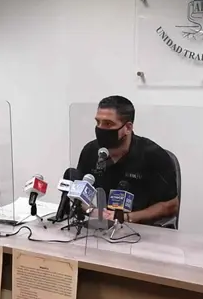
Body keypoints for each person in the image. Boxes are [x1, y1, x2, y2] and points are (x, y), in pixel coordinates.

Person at [76, 96, 179, 225]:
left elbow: (171, 205)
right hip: (101, 227)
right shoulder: (90, 151)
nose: (100, 128)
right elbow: (79, 195)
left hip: (141, 228)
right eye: (98, 122)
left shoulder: (153, 155)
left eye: (108, 124)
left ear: (128, 128)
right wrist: (92, 210)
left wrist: (127, 217)